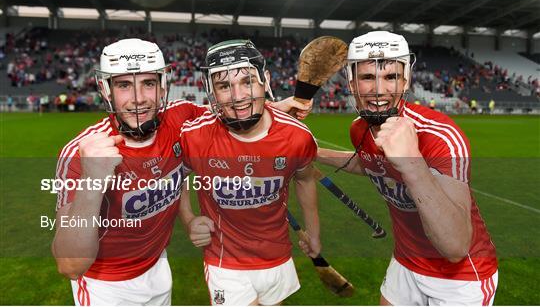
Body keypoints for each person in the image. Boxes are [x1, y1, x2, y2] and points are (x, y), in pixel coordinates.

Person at [52, 38, 309, 306]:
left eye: (148, 83)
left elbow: (228, 108)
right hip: (105, 287)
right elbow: (70, 265)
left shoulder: (180, 118)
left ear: (163, 87)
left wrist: (276, 108)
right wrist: (92, 180)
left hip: (159, 269)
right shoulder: (81, 154)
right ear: (106, 90)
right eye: (124, 85)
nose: (138, 98)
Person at [317, 31, 498, 305]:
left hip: (460, 280)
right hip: (406, 262)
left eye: (390, 77)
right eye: (367, 77)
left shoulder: (440, 137)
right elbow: (369, 164)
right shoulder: (360, 129)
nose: (379, 89)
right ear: (352, 84)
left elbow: (456, 247)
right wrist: (314, 152)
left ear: (406, 79)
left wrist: (412, 163)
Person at [178, 40, 321, 306]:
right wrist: (188, 218)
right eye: (224, 86)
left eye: (247, 81)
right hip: (225, 260)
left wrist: (314, 231)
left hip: (276, 254)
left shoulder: (297, 136)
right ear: (212, 92)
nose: (238, 95)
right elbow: (177, 175)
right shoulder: (195, 136)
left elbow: (304, 179)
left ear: (265, 80)